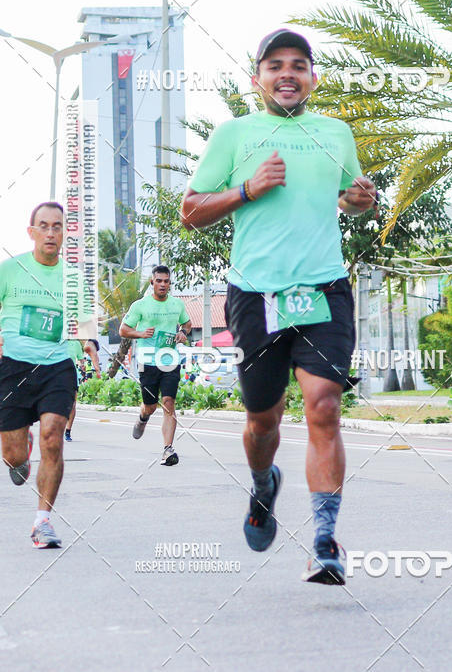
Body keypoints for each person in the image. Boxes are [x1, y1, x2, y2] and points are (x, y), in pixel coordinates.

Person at [181, 29, 376, 584]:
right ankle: (263, 483)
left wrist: (359, 200)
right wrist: (246, 190)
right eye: (275, 65)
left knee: (324, 406)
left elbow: (348, 197)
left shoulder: (336, 133)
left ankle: (324, 539)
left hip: (324, 290)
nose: (287, 73)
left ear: (313, 78)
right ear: (257, 79)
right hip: (255, 295)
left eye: (298, 65)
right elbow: (190, 212)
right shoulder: (234, 134)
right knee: (262, 421)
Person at [0, 202, 78, 548]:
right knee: (12, 457)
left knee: (53, 437)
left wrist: (84, 347)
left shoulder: (74, 278)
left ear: (64, 233)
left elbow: (83, 323)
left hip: (57, 367)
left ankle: (42, 522)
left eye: (57, 226)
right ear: (31, 232)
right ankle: (22, 448)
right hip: (14, 367)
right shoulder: (9, 270)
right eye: (44, 226)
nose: (51, 232)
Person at [119, 266, 192, 466]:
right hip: (148, 361)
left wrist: (183, 333)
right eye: (159, 281)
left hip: (170, 360)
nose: (162, 284)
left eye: (166, 281)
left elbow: (187, 324)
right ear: (152, 282)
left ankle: (168, 449)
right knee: (150, 406)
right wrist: (140, 334)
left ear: (169, 283)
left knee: (169, 402)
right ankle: (143, 417)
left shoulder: (177, 304)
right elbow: (123, 330)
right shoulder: (140, 306)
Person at [65, 339, 100, 441]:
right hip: (56, 375)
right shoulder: (57, 340)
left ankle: (68, 431)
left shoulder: (76, 343)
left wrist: (83, 366)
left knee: (72, 404)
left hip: (72, 376)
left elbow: (81, 361)